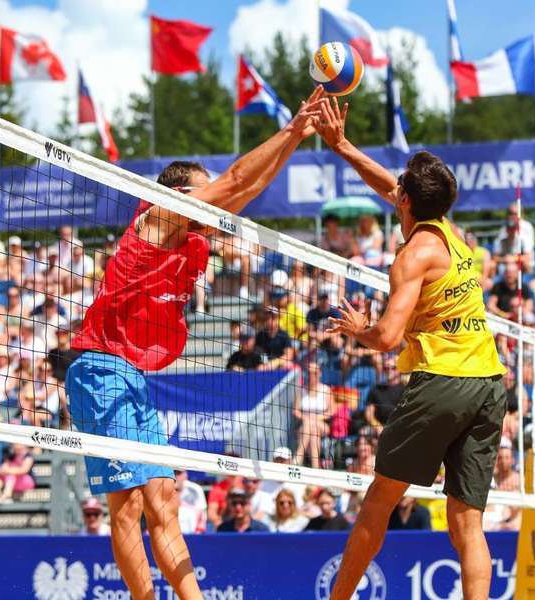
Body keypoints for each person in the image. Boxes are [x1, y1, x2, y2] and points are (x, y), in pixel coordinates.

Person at [64, 88, 325, 600]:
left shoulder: (194, 240)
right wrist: (291, 129)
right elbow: (235, 182)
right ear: (176, 196)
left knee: (163, 500)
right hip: (98, 365)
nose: (216, 202)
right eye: (202, 194)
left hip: (129, 374)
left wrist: (295, 138)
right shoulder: (156, 221)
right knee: (129, 507)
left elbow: (243, 190)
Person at [314, 98, 506, 600]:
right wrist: (343, 147)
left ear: (404, 202)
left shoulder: (411, 257)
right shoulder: (451, 233)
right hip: (489, 383)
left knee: (377, 504)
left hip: (442, 383)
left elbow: (388, 338)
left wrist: (359, 328)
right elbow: (391, 187)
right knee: (467, 521)